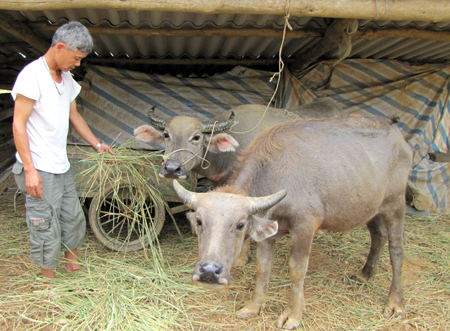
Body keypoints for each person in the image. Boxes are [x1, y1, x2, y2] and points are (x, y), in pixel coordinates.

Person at [11, 21, 115, 280]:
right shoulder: (32, 75)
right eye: (76, 58)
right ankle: (49, 281)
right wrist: (30, 170)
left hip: (61, 166)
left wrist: (97, 143)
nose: (78, 64)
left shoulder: (66, 78)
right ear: (59, 48)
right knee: (45, 224)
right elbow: (18, 124)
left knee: (72, 218)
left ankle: (73, 268)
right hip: (39, 168)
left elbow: (74, 116)